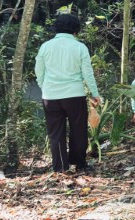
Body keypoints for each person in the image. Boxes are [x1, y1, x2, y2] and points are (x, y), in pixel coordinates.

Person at [35, 14, 101, 173]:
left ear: (56, 28)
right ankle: (79, 163)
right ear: (76, 29)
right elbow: (88, 73)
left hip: (50, 96)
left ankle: (60, 167)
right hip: (74, 95)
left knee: (55, 133)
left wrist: (45, 87)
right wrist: (95, 93)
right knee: (78, 130)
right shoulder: (80, 47)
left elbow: (39, 71)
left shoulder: (45, 46)